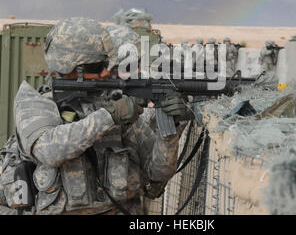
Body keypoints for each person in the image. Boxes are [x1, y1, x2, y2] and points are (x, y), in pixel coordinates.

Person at [0, 17, 192, 215]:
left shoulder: (113, 102)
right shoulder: (35, 101)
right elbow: (49, 151)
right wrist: (109, 115)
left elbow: (156, 175)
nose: (105, 73)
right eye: (99, 67)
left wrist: (171, 130)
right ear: (75, 68)